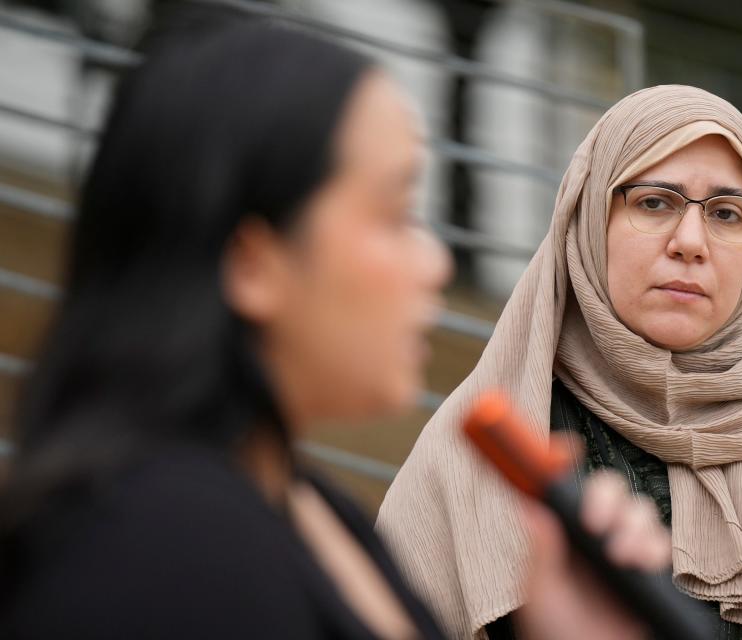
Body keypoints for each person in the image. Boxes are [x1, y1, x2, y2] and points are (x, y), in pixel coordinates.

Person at [0, 9, 673, 640]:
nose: (436, 261)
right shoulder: (161, 554)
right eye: (395, 213)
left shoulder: (310, 508)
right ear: (253, 264)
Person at [376, 85, 742, 640]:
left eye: (726, 213)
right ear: (590, 219)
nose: (691, 241)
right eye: (654, 202)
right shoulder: (500, 438)